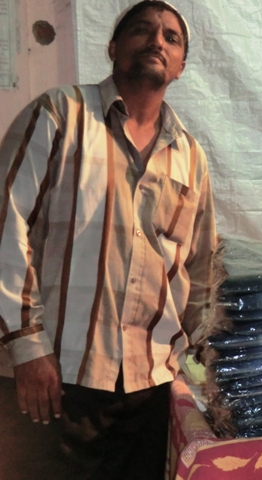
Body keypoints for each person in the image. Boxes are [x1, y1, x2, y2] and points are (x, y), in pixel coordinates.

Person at [0, 1, 216, 478]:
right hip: (54, 376)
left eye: (171, 38)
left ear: (180, 67)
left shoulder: (190, 156)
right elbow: (6, 228)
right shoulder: (60, 114)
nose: (157, 41)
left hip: (148, 388)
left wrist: (200, 364)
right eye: (142, 30)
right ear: (114, 48)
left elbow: (198, 269)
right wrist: (26, 345)